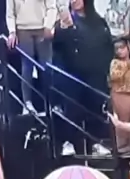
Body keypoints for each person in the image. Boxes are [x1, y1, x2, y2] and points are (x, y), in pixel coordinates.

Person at [53, 0, 114, 155]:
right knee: (72, 109)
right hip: (72, 75)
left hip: (95, 75)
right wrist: (64, 29)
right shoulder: (65, 22)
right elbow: (58, 47)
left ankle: (96, 143)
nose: (74, 1)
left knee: (96, 108)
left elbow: (107, 46)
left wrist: (105, 68)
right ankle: (69, 142)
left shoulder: (99, 22)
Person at [6, 0, 58, 114]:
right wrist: (12, 32)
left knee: (46, 67)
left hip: (42, 28)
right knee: (27, 66)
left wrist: (49, 25)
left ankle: (50, 103)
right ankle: (27, 103)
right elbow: (10, 12)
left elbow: (51, 7)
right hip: (23, 29)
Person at [108, 37, 130, 154]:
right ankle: (122, 146)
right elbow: (115, 76)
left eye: (122, 48)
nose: (119, 51)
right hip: (120, 94)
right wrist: (127, 64)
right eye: (117, 49)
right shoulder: (115, 63)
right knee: (122, 120)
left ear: (128, 48)